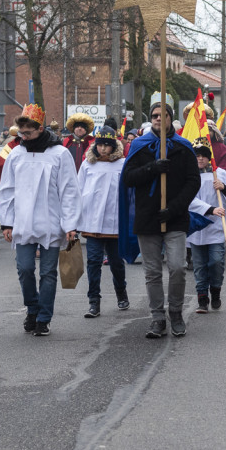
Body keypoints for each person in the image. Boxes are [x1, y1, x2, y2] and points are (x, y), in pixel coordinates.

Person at [120, 99, 201, 338]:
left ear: (169, 118)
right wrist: (152, 168)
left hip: (175, 218)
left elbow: (193, 182)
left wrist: (175, 208)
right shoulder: (140, 146)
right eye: (154, 115)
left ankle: (175, 311)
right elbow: (128, 178)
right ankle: (157, 317)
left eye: (162, 115)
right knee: (152, 272)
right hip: (148, 218)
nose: (157, 118)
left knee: (177, 267)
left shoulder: (183, 147)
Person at [0, 104, 80, 336]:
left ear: (40, 128)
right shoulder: (16, 154)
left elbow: (69, 191)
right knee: (24, 269)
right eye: (21, 133)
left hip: (51, 222)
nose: (23, 137)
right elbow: (7, 190)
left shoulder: (60, 154)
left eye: (28, 133)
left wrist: (70, 224)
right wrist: (7, 222)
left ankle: (44, 318)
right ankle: (32, 309)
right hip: (23, 223)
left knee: (48, 273)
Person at [76, 126, 128, 318]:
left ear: (114, 146)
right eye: (101, 145)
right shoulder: (87, 165)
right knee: (94, 262)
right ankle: (93, 301)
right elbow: (79, 191)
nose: (104, 149)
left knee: (116, 262)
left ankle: (121, 292)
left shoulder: (122, 164)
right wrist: (75, 219)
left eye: (107, 145)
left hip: (114, 222)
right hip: (92, 221)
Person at [188, 139, 226, 313]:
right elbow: (187, 200)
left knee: (216, 261)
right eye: (197, 156)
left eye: (203, 156)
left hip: (217, 227)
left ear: (209, 158)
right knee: (199, 265)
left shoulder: (220, 173)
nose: (200, 159)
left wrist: (223, 187)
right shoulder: (188, 175)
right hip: (197, 227)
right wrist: (209, 209)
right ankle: (202, 298)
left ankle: (216, 290)